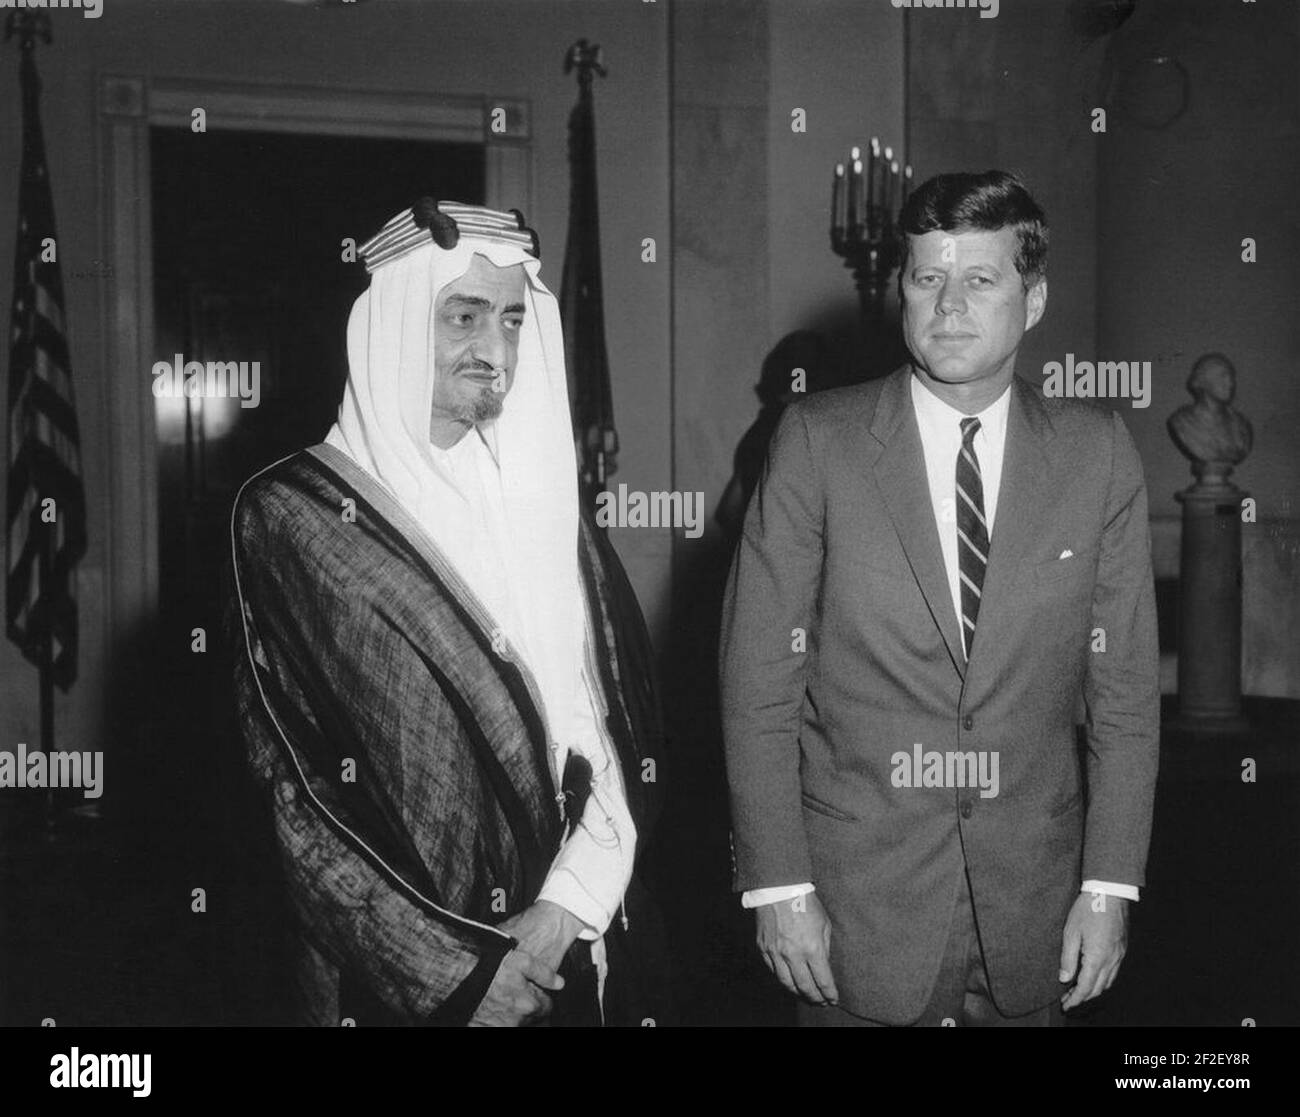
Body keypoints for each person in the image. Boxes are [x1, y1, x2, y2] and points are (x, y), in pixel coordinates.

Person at [720, 171, 1159, 1027]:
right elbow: (757, 683)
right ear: (900, 293)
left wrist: (1109, 885)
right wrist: (777, 884)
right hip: (855, 915)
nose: (949, 306)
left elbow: (1127, 699)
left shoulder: (1097, 455)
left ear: (1033, 301)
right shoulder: (817, 441)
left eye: (980, 280)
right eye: (928, 279)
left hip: (1035, 913)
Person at [227, 199, 665, 1027]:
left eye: (509, 319)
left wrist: (567, 903)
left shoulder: (542, 505)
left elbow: (608, 733)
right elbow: (292, 798)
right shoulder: (291, 517)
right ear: (391, 326)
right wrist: (456, 972)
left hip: (570, 947)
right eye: (462, 316)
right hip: (401, 987)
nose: (494, 349)